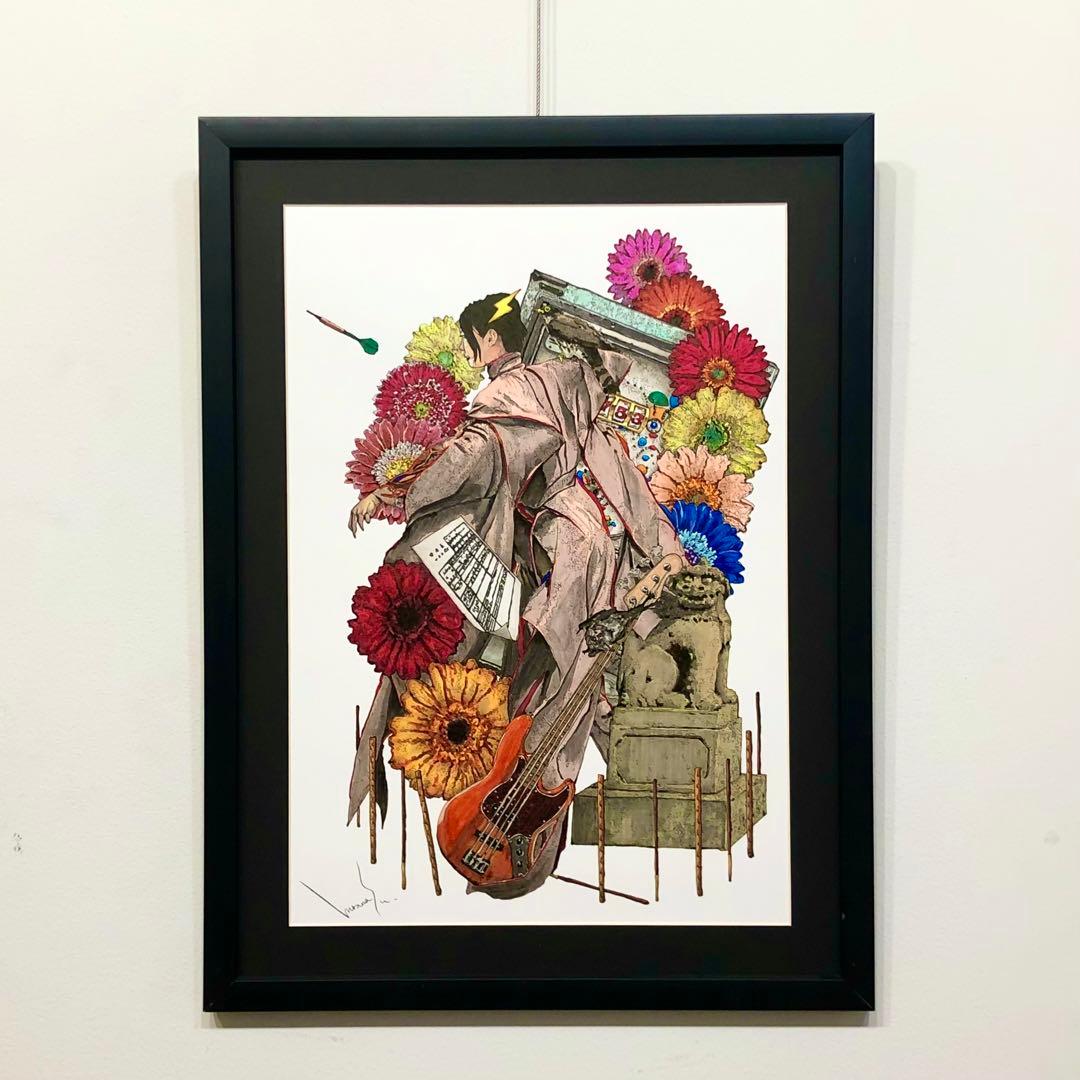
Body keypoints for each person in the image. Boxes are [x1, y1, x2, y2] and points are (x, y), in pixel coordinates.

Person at [347, 290, 681, 896]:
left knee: (550, 674)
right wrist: (664, 555)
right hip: (585, 556)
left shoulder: (514, 389)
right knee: (560, 684)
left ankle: (521, 821)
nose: (474, 354)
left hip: (564, 550)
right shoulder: (573, 395)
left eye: (474, 342)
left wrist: (394, 493)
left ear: (488, 338)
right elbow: (631, 491)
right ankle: (527, 818)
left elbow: (475, 457)